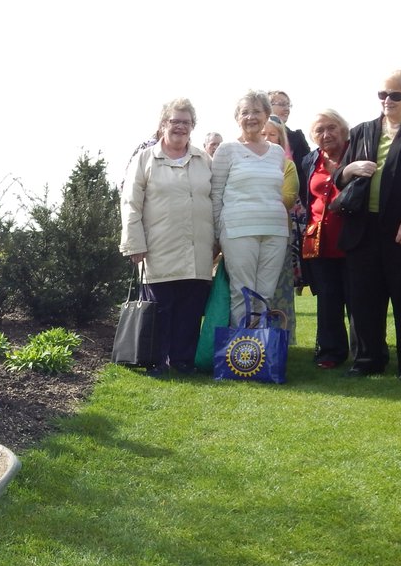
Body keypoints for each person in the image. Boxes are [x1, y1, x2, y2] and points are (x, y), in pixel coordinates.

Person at [335, 69, 401, 380]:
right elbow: (339, 177)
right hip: (363, 229)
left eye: (395, 95)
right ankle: (367, 360)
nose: (387, 100)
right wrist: (351, 168)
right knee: (364, 299)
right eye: (382, 94)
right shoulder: (362, 131)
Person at [120, 99, 215, 378]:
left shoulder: (203, 160)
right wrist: (134, 243)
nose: (180, 127)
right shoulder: (145, 159)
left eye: (186, 122)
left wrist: (219, 241)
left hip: (198, 249)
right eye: (175, 121)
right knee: (160, 309)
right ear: (163, 124)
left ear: (193, 126)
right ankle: (156, 361)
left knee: (190, 309)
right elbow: (130, 204)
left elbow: (216, 200)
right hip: (157, 249)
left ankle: (184, 362)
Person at [210, 91, 293, 325]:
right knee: (242, 292)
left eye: (257, 111)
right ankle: (239, 354)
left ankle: (261, 353)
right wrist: (218, 234)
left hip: (274, 230)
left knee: (265, 294)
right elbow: (216, 195)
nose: (251, 117)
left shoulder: (277, 153)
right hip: (238, 230)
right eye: (245, 112)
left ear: (267, 115)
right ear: (237, 117)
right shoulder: (226, 150)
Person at [300, 109, 354, 368]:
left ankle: (363, 352)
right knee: (328, 300)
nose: (326, 134)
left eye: (332, 127)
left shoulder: (356, 154)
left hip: (353, 240)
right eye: (320, 130)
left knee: (358, 299)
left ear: (343, 130)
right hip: (319, 242)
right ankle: (330, 352)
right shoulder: (309, 160)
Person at [262, 116, 301, 343]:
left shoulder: (287, 165)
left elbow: (287, 198)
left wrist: (253, 197)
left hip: (278, 235)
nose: (267, 138)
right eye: (263, 134)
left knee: (278, 291)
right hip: (247, 234)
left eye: (273, 134)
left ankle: (279, 340)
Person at [269, 89, 312, 176]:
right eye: (282, 104)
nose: (287, 109)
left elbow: (309, 167)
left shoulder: (297, 137)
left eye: (288, 105)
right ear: (268, 107)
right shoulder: (256, 137)